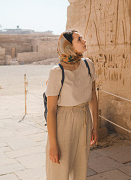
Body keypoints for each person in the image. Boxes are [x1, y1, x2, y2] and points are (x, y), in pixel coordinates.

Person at [46, 30, 98, 179]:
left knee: (80, 170)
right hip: (63, 123)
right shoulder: (57, 72)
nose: (84, 41)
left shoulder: (88, 65)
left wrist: (95, 126)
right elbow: (51, 110)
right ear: (68, 46)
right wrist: (53, 145)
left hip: (84, 120)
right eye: (79, 39)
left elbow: (93, 96)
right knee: (59, 171)